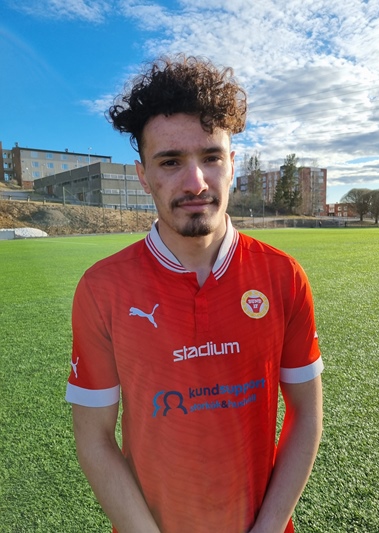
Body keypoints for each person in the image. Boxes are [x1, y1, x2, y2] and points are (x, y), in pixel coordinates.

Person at [66, 55, 323, 533]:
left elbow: (306, 414)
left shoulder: (283, 276)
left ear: (232, 164)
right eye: (170, 162)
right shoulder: (102, 289)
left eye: (211, 157)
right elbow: (94, 438)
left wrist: (268, 528)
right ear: (143, 175)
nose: (195, 182)